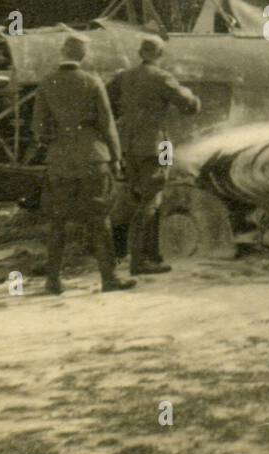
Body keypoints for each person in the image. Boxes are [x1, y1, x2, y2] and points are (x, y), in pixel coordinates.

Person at [31, 33, 135, 294]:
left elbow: (38, 126)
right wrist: (116, 157)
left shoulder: (46, 83)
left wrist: (53, 143)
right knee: (99, 220)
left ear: (62, 52)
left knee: (56, 222)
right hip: (93, 158)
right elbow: (107, 124)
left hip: (60, 161)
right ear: (83, 55)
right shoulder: (92, 82)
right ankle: (109, 279)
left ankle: (53, 281)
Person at [110, 35, 201, 276]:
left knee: (132, 196)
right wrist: (191, 95)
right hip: (157, 146)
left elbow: (108, 105)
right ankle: (141, 260)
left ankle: (123, 254)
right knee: (153, 199)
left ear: (140, 52)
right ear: (160, 54)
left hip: (128, 146)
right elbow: (189, 106)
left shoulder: (123, 76)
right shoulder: (162, 78)